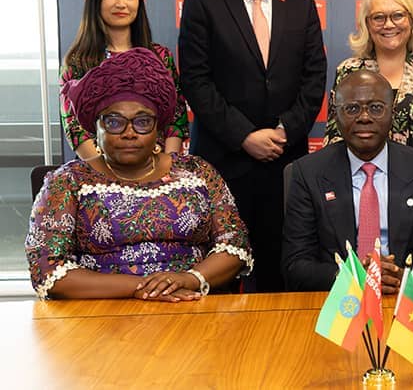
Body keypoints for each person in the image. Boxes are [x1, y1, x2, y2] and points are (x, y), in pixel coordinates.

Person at [178, 0, 327, 292]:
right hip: (223, 163)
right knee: (220, 280)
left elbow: (314, 81)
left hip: (285, 164)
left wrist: (282, 133)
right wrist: (245, 136)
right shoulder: (202, 3)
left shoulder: (302, 6)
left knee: (280, 277)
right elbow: (196, 81)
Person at [26, 48, 253, 301]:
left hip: (192, 307)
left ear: (158, 129)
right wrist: (144, 287)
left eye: (143, 121)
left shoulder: (197, 172)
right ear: (96, 128)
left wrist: (189, 278)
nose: (129, 132)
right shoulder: (68, 181)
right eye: (114, 122)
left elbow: (235, 247)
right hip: (100, 316)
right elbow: (47, 269)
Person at [283, 70, 413, 292]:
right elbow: (295, 265)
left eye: (376, 108)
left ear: (392, 112)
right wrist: (353, 277)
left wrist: (400, 278)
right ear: (336, 114)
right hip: (338, 303)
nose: (364, 117)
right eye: (352, 108)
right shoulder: (308, 172)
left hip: (406, 301)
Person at [61, 0, 188, 159]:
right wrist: (104, 171)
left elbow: (176, 116)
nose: (121, 3)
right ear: (95, 1)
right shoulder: (78, 61)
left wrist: (167, 163)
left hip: (156, 170)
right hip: (99, 174)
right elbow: (74, 127)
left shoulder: (160, 56)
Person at [324, 0, 413, 170]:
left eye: (398, 15)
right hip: (361, 183)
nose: (388, 24)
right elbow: (334, 138)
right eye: (378, 17)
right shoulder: (349, 71)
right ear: (367, 24)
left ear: (412, 19)